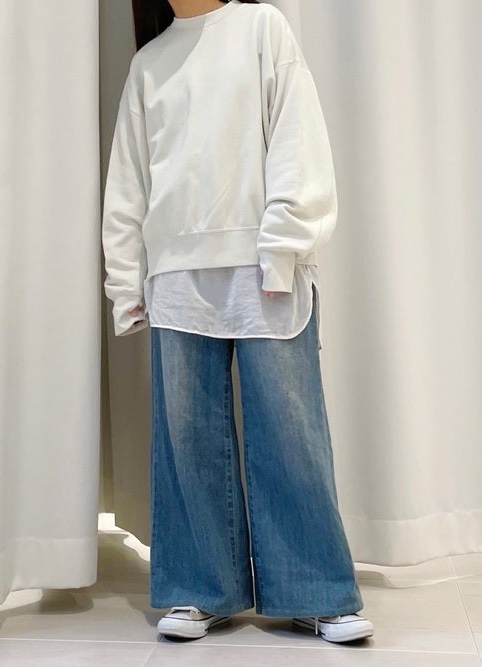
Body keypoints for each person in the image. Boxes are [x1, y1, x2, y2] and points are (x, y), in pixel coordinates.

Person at [101, 0, 374, 645]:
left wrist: (283, 246)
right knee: (187, 438)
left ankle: (316, 591)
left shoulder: (262, 28)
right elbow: (128, 184)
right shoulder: (149, 63)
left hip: (262, 265)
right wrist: (126, 284)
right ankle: (200, 588)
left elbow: (297, 139)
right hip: (175, 276)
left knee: (291, 432)